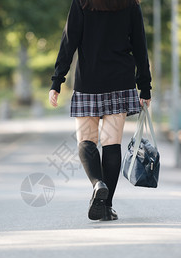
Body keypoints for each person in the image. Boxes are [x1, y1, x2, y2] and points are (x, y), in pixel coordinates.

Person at [49, 0, 152, 221]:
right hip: (120, 82)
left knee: (86, 141)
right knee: (111, 144)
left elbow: (69, 42)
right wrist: (145, 86)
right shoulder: (130, 4)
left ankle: (98, 184)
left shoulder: (82, 3)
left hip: (89, 80)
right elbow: (140, 45)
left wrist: (57, 81)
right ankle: (106, 206)